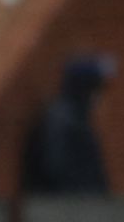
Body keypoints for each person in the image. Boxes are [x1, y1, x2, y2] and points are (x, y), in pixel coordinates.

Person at [22, 54, 116, 195]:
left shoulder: (74, 118)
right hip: (66, 210)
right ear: (86, 86)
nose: (99, 95)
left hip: (77, 209)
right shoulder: (62, 121)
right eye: (97, 87)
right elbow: (57, 169)